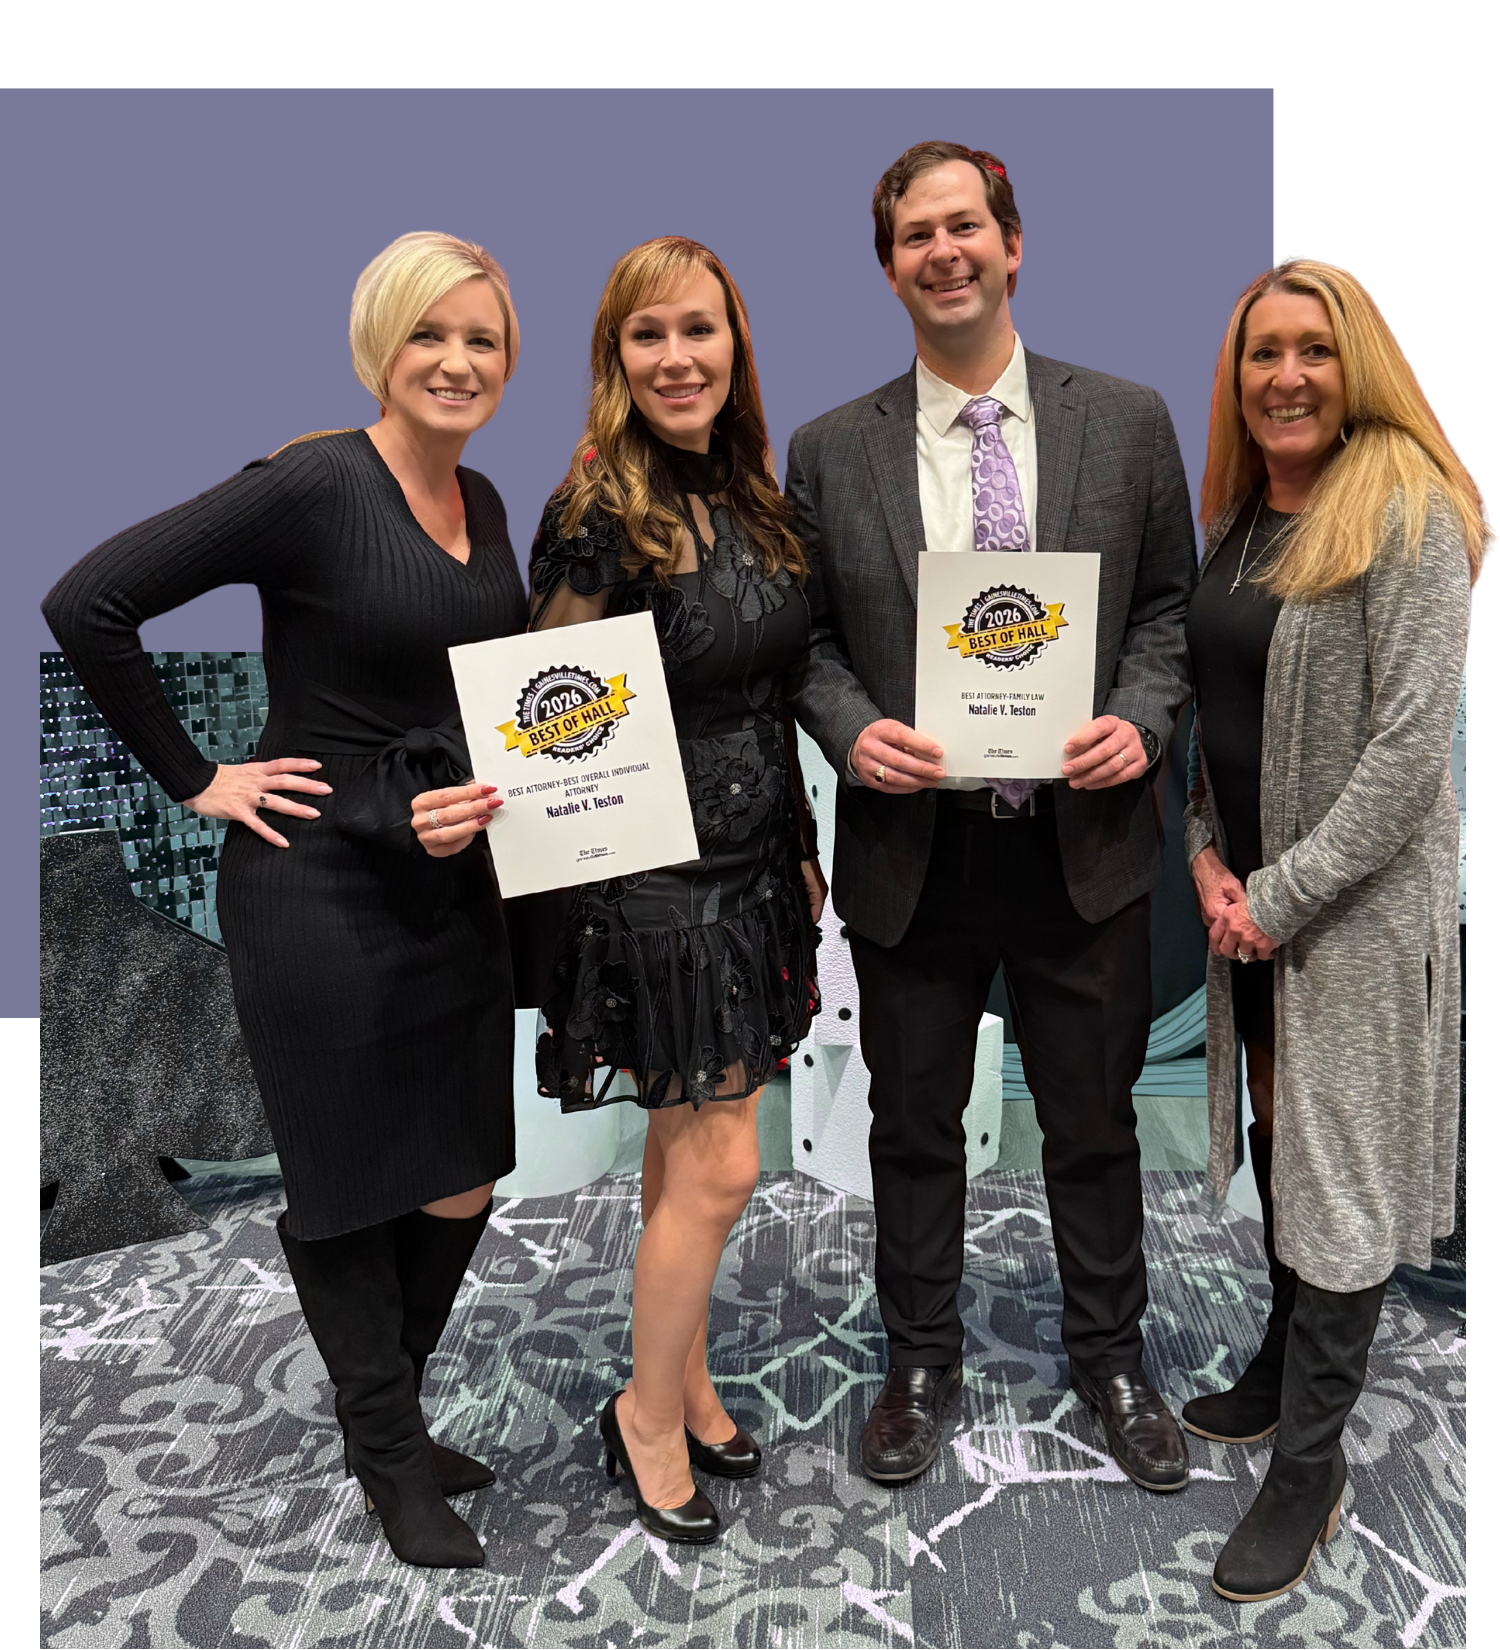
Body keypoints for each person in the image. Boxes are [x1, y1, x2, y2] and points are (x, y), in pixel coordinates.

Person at [43, 232, 530, 1570]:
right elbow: (90, 600)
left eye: (482, 339)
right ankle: (386, 1450)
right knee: (348, 1180)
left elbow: (487, 686)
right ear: (383, 342)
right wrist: (198, 776)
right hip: (317, 885)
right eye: (431, 334)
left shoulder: (483, 497)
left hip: (446, 879)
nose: (456, 360)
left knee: (460, 1173)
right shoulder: (316, 481)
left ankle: (390, 1404)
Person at [785, 141, 1200, 1492]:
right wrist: (854, 733)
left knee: (1091, 1118)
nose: (945, 252)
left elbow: (1166, 612)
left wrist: (1139, 716)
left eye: (967, 226)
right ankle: (918, 1362)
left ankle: (1112, 1357)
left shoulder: (1129, 420)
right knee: (910, 1123)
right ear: (891, 265)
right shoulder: (829, 447)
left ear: (1013, 244)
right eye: (917, 235)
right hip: (917, 851)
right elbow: (806, 645)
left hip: (1083, 844)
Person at [421, 237, 822, 1544]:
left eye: (698, 330)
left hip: (757, 866)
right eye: (647, 336)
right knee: (720, 1164)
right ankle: (645, 1414)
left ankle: (686, 1374)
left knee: (682, 1150)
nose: (677, 357)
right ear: (616, 359)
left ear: (734, 345)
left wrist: (802, 838)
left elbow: (769, 691)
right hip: (651, 882)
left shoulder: (754, 492)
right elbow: (544, 708)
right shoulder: (600, 505)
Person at [1179, 254, 1489, 1602]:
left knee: (1342, 1183)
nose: (1286, 376)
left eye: (1312, 349)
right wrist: (1204, 858)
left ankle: (1309, 1467)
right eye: (1262, 353)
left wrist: (1280, 894)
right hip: (1246, 901)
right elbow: (1210, 706)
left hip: (1345, 916)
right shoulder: (1246, 515)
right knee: (1281, 1137)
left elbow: (1414, 750)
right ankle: (1274, 1358)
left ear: (1355, 361)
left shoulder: (1410, 510)